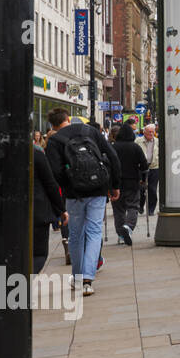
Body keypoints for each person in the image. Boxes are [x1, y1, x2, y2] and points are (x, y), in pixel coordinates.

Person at [46, 108, 120, 296]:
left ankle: (78, 278)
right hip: (98, 189)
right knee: (95, 231)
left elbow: (55, 172)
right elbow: (112, 157)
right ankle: (88, 278)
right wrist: (114, 185)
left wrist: (70, 185)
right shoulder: (91, 132)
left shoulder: (55, 140)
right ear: (68, 119)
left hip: (74, 194)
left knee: (76, 235)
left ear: (52, 125)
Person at [32, 131, 66, 274]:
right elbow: (50, 184)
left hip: (3, 216)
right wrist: (61, 210)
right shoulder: (36, 154)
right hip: (36, 211)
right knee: (38, 254)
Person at [111, 125, 148, 245]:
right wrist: (143, 179)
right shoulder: (135, 147)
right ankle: (128, 226)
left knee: (118, 209)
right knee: (133, 206)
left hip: (116, 183)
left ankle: (121, 234)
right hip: (132, 182)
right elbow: (144, 165)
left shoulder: (113, 147)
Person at [141, 123, 162, 216]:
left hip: (154, 167)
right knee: (141, 189)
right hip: (141, 168)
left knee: (152, 189)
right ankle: (140, 205)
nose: (151, 133)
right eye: (149, 131)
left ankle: (151, 209)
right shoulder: (138, 141)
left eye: (152, 131)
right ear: (144, 132)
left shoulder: (157, 141)